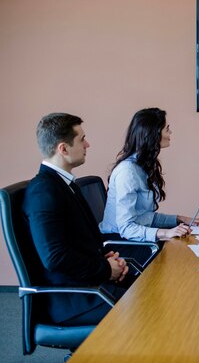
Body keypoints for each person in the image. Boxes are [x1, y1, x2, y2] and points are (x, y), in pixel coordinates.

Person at [23, 113, 129, 325]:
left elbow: (76, 241)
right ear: (63, 148)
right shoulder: (43, 191)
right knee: (148, 310)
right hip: (70, 298)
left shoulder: (65, 185)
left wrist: (107, 261)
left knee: (151, 291)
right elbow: (55, 257)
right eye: (82, 139)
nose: (87, 144)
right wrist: (106, 269)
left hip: (87, 285)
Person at [100, 108, 199, 245]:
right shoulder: (127, 172)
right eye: (167, 129)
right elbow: (126, 228)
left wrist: (180, 219)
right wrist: (166, 232)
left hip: (134, 239)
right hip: (121, 243)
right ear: (153, 134)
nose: (170, 132)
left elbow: (145, 217)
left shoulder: (140, 166)